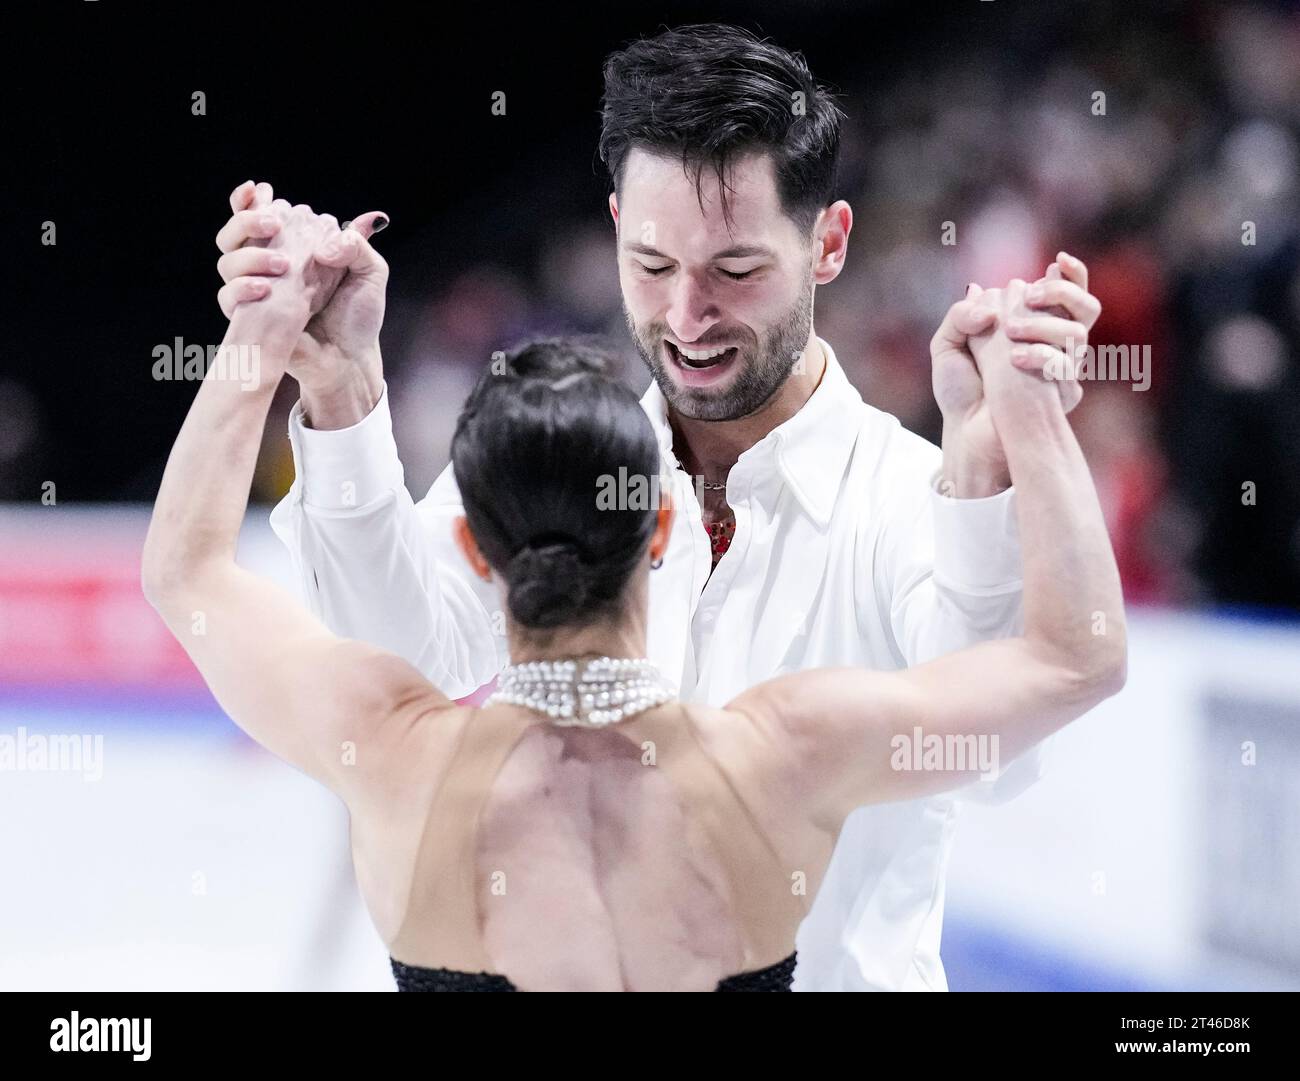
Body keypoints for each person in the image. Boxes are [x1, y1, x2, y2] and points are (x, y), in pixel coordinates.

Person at [212, 26, 1106, 991]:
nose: (686, 318)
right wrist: (342, 395)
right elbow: (399, 647)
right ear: (613, 229)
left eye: (735, 271)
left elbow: (991, 761)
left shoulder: (907, 498)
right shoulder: (557, 455)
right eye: (652, 266)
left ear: (830, 243)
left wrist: (989, 471)